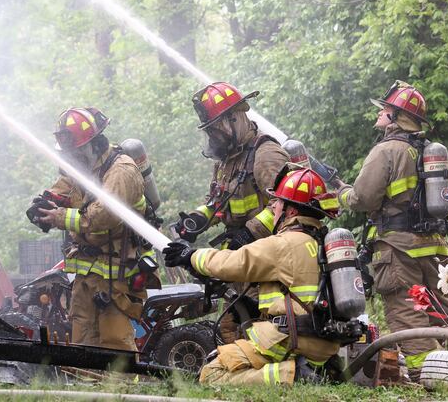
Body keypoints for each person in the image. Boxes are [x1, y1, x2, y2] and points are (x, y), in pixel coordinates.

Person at [335, 80, 448, 380]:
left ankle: (431, 374)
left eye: (384, 111)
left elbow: (363, 198)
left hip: (398, 249)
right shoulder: (424, 150)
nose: (378, 116)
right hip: (433, 246)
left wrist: (342, 193)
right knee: (441, 307)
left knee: (407, 313)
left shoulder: (387, 151)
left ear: (395, 116)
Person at [164, 167, 341, 385]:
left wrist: (190, 255)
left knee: (212, 371)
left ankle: (294, 376)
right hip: (324, 343)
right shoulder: (323, 244)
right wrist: (253, 307)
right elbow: (301, 296)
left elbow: (231, 263)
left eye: (277, 202)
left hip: (291, 341)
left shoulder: (283, 243)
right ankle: (312, 371)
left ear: (291, 211)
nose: (273, 207)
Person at [174, 81, 289, 342]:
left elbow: (285, 204)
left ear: (235, 118)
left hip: (265, 260)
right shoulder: (227, 160)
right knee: (230, 327)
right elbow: (217, 200)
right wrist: (197, 219)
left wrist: (250, 232)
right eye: (210, 131)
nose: (214, 137)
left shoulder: (266, 154)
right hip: (238, 260)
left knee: (262, 327)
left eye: (216, 129)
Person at [26, 107, 148, 350]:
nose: (73, 159)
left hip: (118, 270)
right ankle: (88, 383)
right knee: (81, 334)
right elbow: (63, 187)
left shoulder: (121, 170)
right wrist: (43, 205)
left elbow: (104, 216)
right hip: (88, 271)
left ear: (93, 144)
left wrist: (59, 217)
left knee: (114, 338)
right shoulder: (84, 167)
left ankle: (120, 387)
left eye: (76, 153)